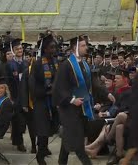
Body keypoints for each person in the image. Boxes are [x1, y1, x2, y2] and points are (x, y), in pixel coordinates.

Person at [52, 35, 92, 165]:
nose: (86, 48)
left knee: (68, 139)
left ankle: (61, 162)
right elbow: (59, 88)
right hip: (69, 110)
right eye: (83, 45)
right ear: (75, 48)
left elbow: (91, 84)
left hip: (82, 108)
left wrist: (105, 94)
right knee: (78, 143)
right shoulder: (66, 65)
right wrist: (71, 100)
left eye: (86, 45)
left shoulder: (84, 64)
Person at [29, 34, 59, 164]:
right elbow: (32, 84)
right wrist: (46, 91)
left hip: (52, 101)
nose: (54, 50)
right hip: (41, 100)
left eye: (54, 47)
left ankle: (44, 149)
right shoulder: (37, 64)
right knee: (42, 129)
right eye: (51, 47)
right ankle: (40, 156)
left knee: (49, 127)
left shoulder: (55, 62)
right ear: (45, 49)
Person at [8, 38, 29, 152]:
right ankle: (19, 142)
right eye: (17, 49)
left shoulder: (27, 63)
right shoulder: (10, 65)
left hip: (26, 96)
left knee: (26, 121)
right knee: (18, 121)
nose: (20, 50)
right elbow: (8, 82)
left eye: (21, 48)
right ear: (13, 50)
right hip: (15, 96)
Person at [20, 57, 37, 153]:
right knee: (32, 126)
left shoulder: (46, 71)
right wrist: (24, 104)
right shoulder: (27, 72)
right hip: (30, 104)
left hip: (42, 104)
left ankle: (43, 146)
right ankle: (34, 145)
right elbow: (23, 88)